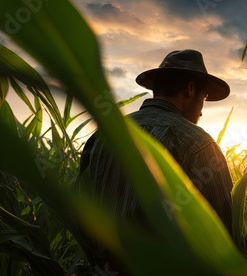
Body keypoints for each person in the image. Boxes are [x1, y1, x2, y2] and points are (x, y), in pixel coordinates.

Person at [74, 49, 233, 273]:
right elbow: (222, 242)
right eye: (205, 97)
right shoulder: (198, 144)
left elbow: (81, 211)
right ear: (190, 89)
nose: (202, 112)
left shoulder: (104, 135)